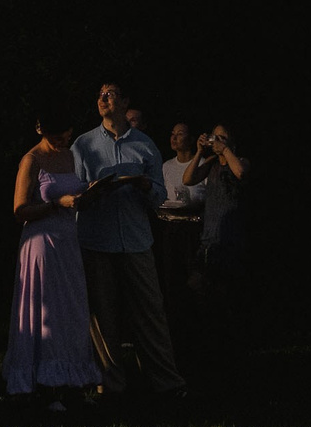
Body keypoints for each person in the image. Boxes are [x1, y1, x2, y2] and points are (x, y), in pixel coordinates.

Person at [71, 81, 186, 400]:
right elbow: (73, 191)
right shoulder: (83, 145)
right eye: (99, 95)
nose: (103, 99)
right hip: (97, 238)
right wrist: (91, 192)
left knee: (150, 312)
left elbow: (161, 195)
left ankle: (167, 382)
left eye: (110, 94)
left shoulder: (145, 145)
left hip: (135, 240)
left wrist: (145, 187)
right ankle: (109, 384)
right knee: (101, 315)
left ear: (124, 102)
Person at [5, 110, 102, 408]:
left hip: (67, 241)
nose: (64, 141)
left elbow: (71, 190)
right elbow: (20, 209)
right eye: (58, 136)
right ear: (41, 129)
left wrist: (85, 195)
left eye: (68, 136)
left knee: (71, 311)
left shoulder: (68, 157)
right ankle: (45, 384)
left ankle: (72, 381)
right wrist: (55, 204)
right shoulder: (31, 160)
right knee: (47, 311)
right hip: (41, 241)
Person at [186, 122, 250, 365]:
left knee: (228, 300)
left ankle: (232, 351)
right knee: (202, 297)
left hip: (231, 242)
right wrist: (201, 152)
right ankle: (209, 349)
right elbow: (189, 179)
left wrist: (225, 150)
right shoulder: (211, 164)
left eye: (222, 138)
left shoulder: (241, 160)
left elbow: (241, 173)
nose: (217, 141)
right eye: (215, 137)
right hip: (208, 242)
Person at [161, 124, 204, 207]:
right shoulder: (166, 166)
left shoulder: (202, 164)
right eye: (173, 134)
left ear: (191, 139)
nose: (174, 138)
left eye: (180, 134)